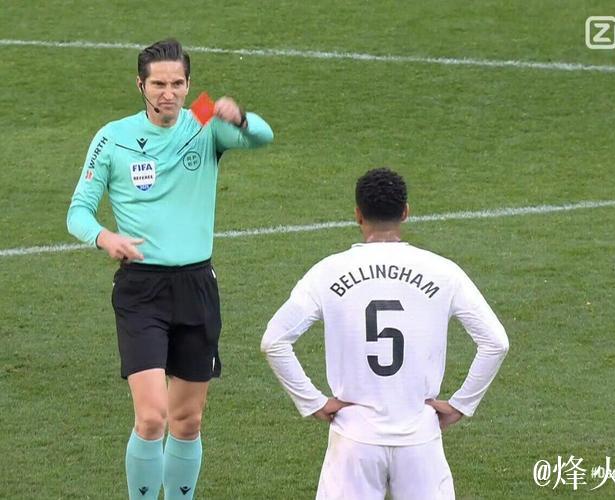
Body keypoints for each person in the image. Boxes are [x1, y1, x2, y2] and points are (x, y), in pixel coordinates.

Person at [66, 39, 273, 499]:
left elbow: (263, 137)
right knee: (152, 417)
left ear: (188, 84)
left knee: (188, 420)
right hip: (141, 290)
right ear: (140, 85)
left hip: (197, 285)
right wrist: (105, 237)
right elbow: (78, 211)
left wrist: (239, 117)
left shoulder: (203, 120)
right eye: (158, 84)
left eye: (177, 83)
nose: (168, 93)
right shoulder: (113, 136)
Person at [261, 167, 509, 499]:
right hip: (420, 437)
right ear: (405, 212)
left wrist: (313, 402)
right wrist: (462, 403)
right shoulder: (443, 271)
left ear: (358, 215)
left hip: (354, 438)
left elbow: (274, 341)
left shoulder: (327, 272)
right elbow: (496, 342)